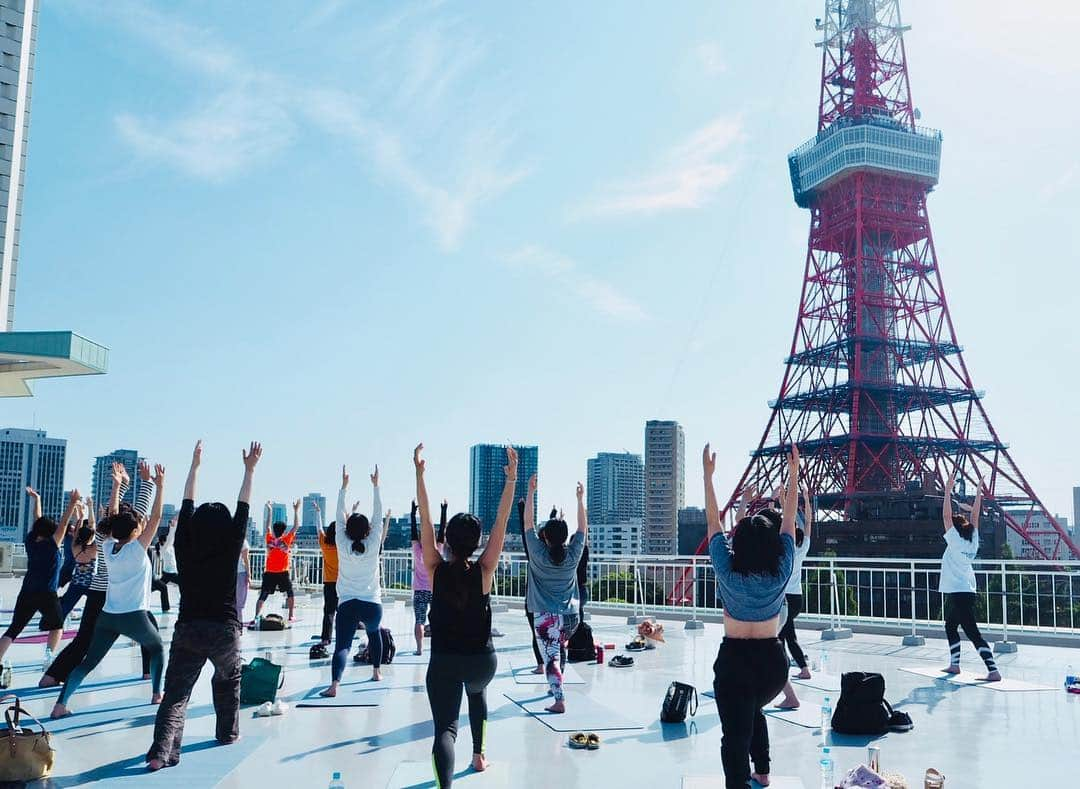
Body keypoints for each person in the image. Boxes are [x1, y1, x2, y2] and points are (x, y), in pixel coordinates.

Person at [147, 440, 261, 771]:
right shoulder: (231, 543)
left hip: (189, 628)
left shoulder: (184, 542)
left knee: (176, 694)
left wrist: (194, 466)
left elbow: (186, 504)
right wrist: (249, 469)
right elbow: (243, 505)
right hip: (225, 630)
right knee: (229, 679)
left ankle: (160, 753)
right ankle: (228, 733)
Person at [416, 443, 514, 786]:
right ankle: (478, 754)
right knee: (477, 692)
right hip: (481, 663)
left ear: (447, 541)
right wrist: (511, 479)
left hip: (444, 661)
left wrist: (419, 474)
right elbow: (502, 519)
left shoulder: (434, 567)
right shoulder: (485, 569)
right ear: (476, 542)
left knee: (444, 729)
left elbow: (426, 519)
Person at [704, 442, 799, 789]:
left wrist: (708, 477)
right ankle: (763, 771)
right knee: (755, 709)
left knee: (734, 739)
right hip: (773, 667)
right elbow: (788, 520)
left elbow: (714, 522)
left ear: (739, 545)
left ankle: (739, 783)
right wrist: (792, 475)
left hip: (734, 663)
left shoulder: (727, 573)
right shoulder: (781, 571)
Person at [51, 462, 167, 719]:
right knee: (157, 648)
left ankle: (60, 705)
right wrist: (160, 486)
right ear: (136, 531)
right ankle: (157, 693)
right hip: (135, 616)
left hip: (108, 617)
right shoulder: (137, 550)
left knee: (88, 663)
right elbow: (156, 518)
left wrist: (117, 487)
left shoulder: (106, 547)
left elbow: (111, 519)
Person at [524, 476, 587, 714]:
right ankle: (556, 684)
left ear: (545, 538)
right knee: (560, 648)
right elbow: (582, 529)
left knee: (551, 657)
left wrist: (531, 493)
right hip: (571, 617)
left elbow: (527, 524)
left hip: (547, 617)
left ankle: (559, 699)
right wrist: (580, 501)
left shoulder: (537, 553)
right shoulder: (573, 555)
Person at [320, 464, 384, 696]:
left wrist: (343, 488)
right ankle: (377, 672)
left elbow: (338, 515)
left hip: (347, 604)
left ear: (346, 529)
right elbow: (378, 515)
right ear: (368, 529)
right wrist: (376, 486)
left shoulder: (341, 543)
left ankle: (335, 685)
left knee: (343, 645)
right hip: (372, 605)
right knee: (374, 634)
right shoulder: (374, 541)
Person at [0, 488, 79, 664]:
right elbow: (64, 523)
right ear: (51, 532)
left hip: (27, 591)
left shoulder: (30, 541)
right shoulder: (51, 544)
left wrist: (37, 499)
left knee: (13, 630)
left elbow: (38, 520)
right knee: (57, 626)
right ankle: (49, 658)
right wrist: (72, 504)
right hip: (47, 594)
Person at [940, 470, 1000, 682]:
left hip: (959, 592)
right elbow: (974, 516)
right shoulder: (972, 539)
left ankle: (993, 670)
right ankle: (955, 665)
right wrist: (978, 492)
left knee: (972, 632)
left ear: (954, 531)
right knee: (950, 626)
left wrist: (947, 491)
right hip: (967, 590)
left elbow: (947, 516)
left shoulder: (955, 541)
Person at [776, 486, 814, 709]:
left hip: (784, 598)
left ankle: (801, 668)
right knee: (787, 634)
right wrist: (807, 499)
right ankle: (799, 667)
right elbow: (806, 523)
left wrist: (783, 499)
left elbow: (789, 520)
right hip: (797, 597)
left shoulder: (785, 549)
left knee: (785, 636)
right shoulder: (803, 548)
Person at [252, 501, 299, 624]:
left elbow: (267, 525)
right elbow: (295, 526)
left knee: (264, 594)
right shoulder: (286, 539)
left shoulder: (269, 538)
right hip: (283, 571)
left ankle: (256, 616)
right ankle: (291, 615)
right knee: (290, 593)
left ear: (274, 529)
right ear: (283, 531)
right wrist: (296, 510)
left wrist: (270, 510)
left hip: (269, 571)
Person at [410, 498, 445, 656]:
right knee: (439, 620)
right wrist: (444, 510)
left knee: (419, 620)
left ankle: (419, 649)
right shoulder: (437, 549)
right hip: (435, 590)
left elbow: (413, 531)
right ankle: (440, 647)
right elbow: (442, 530)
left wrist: (413, 513)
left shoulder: (417, 549)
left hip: (419, 591)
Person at [518, 499, 545, 673]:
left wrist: (521, 511)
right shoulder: (559, 556)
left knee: (536, 632)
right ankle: (550, 664)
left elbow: (526, 531)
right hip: (552, 602)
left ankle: (541, 664)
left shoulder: (534, 554)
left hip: (533, 601)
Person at [58, 499, 93, 622]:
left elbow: (78, 529)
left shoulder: (74, 545)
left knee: (66, 603)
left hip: (75, 578)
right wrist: (87, 509)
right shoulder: (93, 549)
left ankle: (54, 619)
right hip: (87, 581)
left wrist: (80, 513)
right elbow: (85, 528)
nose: (74, 530)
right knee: (96, 607)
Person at [313, 499, 338, 646]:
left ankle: (326, 638)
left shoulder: (324, 544)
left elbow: (319, 528)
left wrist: (318, 512)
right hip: (343, 582)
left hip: (328, 582)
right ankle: (343, 634)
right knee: (344, 611)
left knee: (329, 611)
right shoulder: (342, 546)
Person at [236, 537, 251, 622]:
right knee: (239, 602)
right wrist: (249, 575)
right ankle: (238, 623)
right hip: (240, 573)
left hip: (230, 573)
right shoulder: (243, 541)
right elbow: (246, 560)